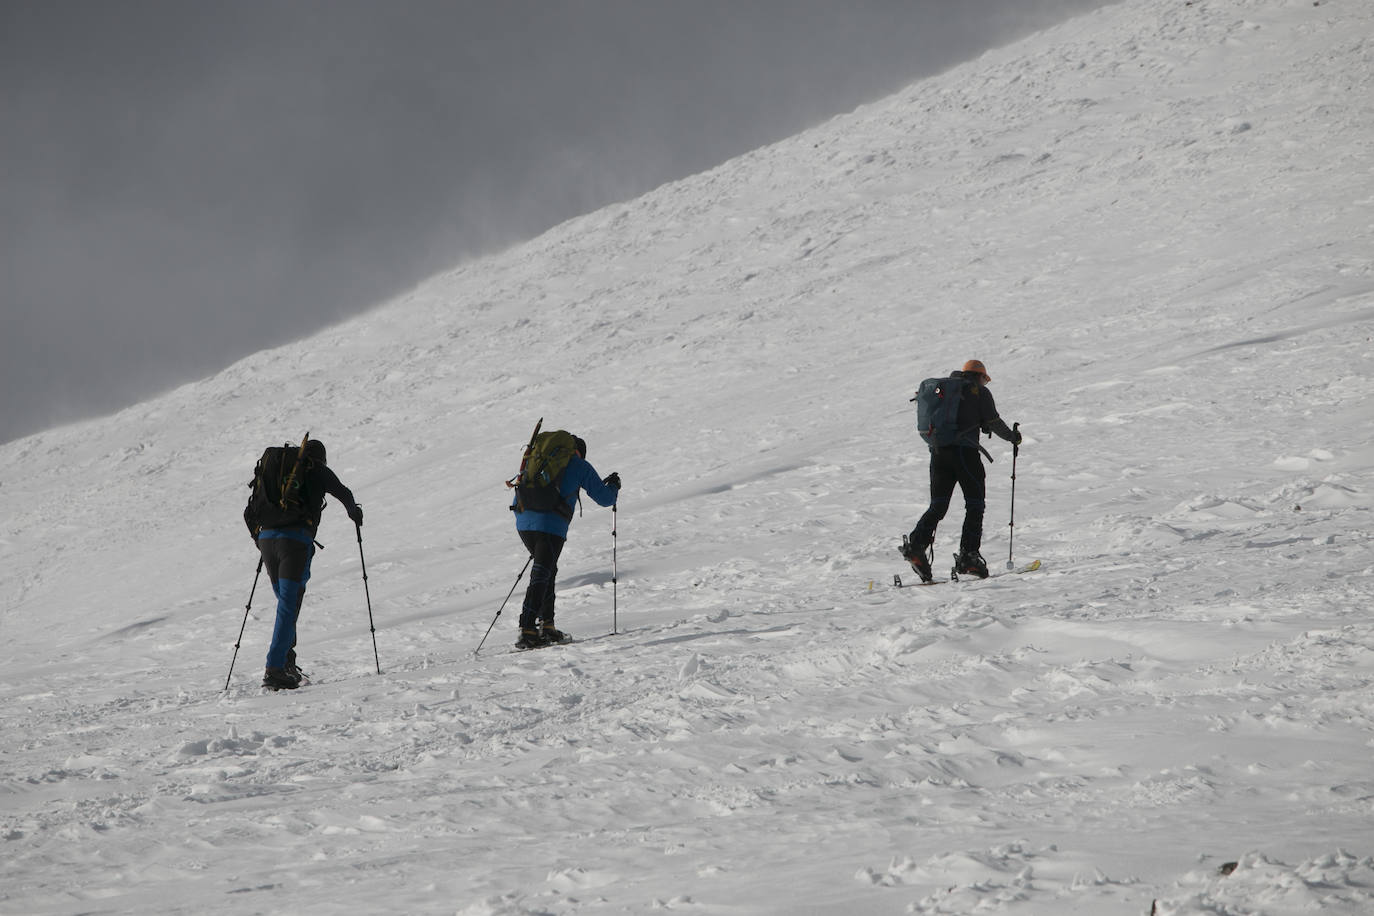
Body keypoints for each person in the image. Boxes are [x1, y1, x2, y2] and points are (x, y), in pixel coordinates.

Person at [254, 438, 364, 689]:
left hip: (267, 540)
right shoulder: (315, 468)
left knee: (285, 604)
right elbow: (343, 493)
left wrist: (260, 541)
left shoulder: (276, 470)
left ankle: (286, 661)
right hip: (295, 542)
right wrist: (354, 513)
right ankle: (275, 668)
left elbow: (250, 511)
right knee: (289, 605)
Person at [902, 359, 1021, 581]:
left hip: (938, 453)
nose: (985, 384)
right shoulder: (978, 392)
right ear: (979, 376)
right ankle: (969, 557)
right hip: (965, 454)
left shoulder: (947, 392)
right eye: (985, 379)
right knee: (975, 505)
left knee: (938, 506)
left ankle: (916, 546)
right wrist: (1013, 438)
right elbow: (993, 421)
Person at [511, 434, 620, 648]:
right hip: (551, 524)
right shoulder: (578, 464)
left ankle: (547, 626)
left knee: (547, 569)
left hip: (523, 522)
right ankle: (527, 628)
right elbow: (606, 499)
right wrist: (614, 486)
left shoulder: (537, 462)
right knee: (542, 572)